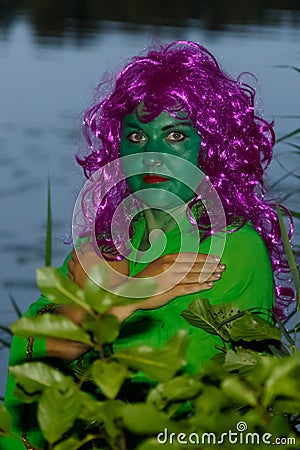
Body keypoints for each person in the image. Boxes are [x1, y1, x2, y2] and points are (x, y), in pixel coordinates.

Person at [2, 40, 289, 450]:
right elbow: (36, 347)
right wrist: (122, 302)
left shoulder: (232, 246)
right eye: (136, 135)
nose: (151, 154)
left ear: (212, 149)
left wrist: (103, 302)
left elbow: (149, 380)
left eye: (175, 135)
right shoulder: (107, 243)